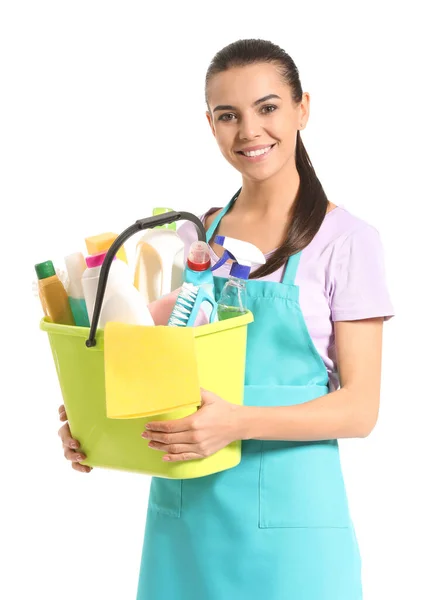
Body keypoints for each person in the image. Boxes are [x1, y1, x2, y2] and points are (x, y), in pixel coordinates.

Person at [58, 39, 394, 599]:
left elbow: (360, 410)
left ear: (302, 108)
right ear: (209, 123)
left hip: (295, 535)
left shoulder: (347, 242)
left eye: (267, 108)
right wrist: (97, 423)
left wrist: (234, 422)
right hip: (187, 525)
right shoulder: (195, 237)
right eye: (228, 115)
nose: (249, 132)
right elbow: (160, 370)